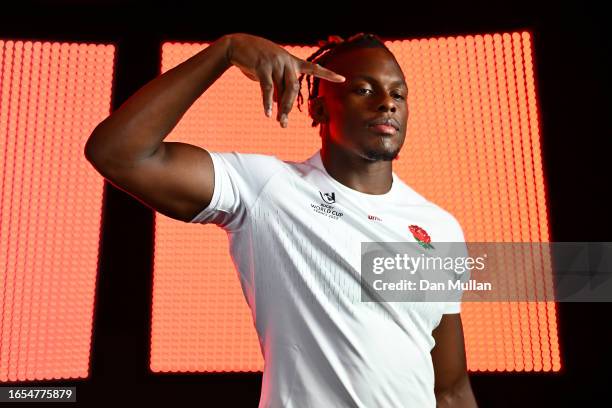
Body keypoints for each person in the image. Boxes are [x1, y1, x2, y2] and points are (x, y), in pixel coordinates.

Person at [84, 32, 478, 408]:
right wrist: (226, 51)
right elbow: (118, 153)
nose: (387, 103)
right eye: (363, 89)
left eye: (398, 94)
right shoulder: (268, 188)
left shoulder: (439, 227)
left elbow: (450, 388)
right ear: (318, 107)